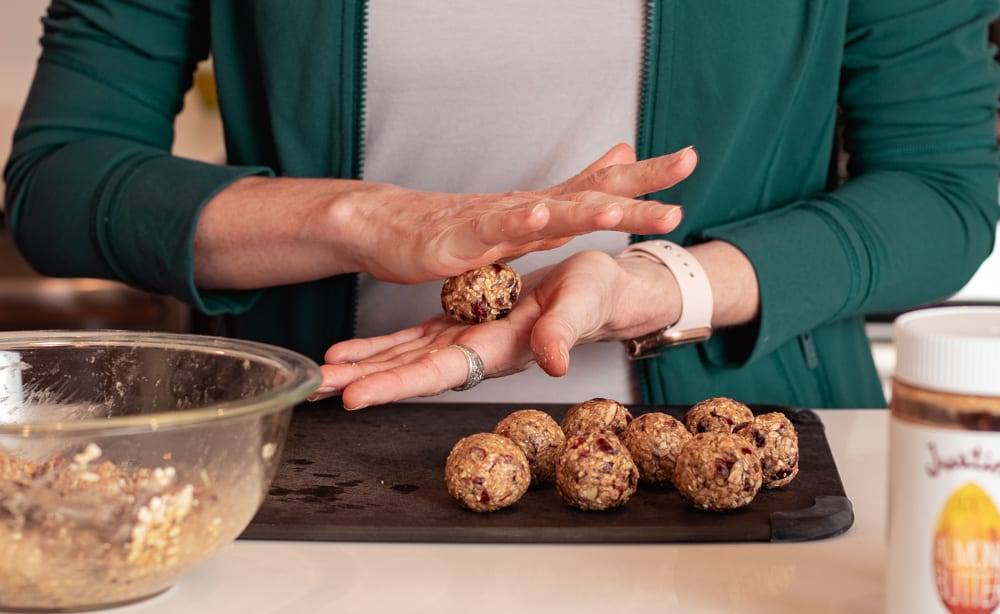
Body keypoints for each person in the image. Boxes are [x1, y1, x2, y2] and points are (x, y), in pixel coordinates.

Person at [4, 1, 998, 410]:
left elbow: (942, 189)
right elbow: (60, 178)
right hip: (311, 467)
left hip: (746, 475)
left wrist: (663, 284)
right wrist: (360, 221)